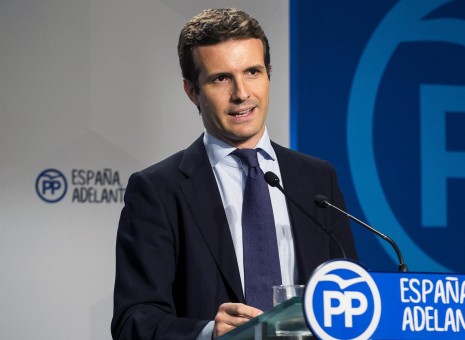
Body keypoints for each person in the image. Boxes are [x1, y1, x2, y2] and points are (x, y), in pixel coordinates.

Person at [111, 8, 358, 340]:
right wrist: (210, 333)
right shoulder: (158, 190)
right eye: (221, 78)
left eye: (252, 72)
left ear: (268, 75)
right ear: (192, 91)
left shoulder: (316, 178)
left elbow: (350, 292)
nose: (242, 93)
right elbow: (133, 319)